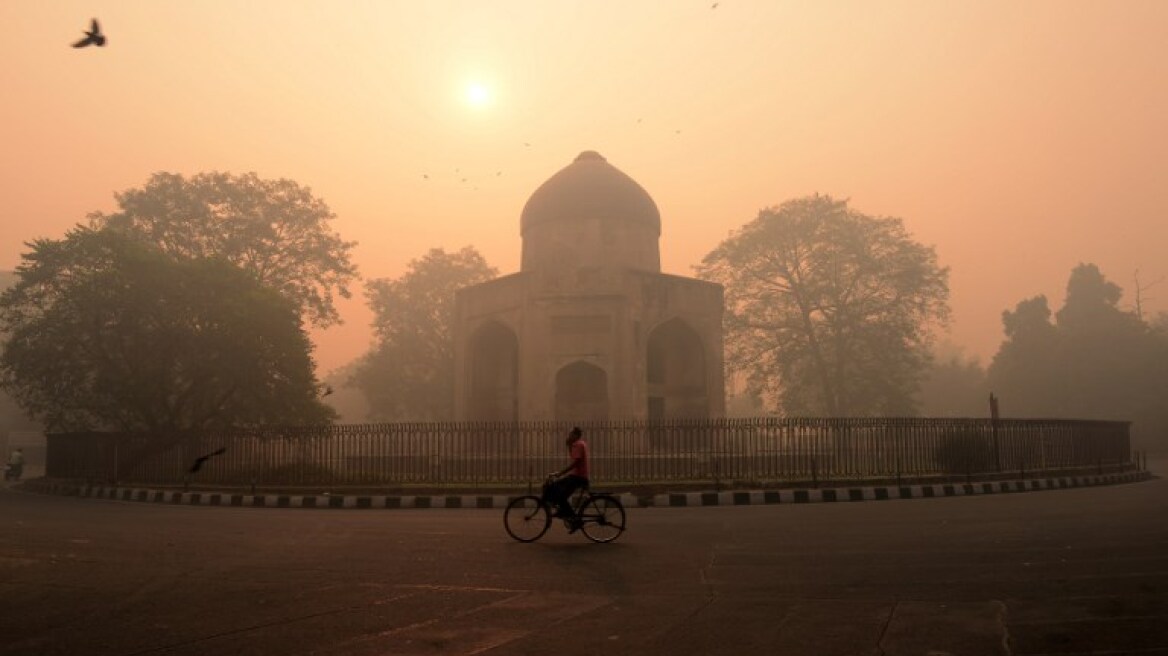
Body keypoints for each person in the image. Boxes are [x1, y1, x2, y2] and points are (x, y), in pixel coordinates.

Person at [545, 427, 590, 529]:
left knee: (560, 496)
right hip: (576, 476)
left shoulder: (578, 444)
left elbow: (575, 462)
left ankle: (572, 518)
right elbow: (574, 457)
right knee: (559, 490)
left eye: (571, 434)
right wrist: (569, 446)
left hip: (578, 477)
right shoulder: (578, 444)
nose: (569, 436)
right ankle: (565, 513)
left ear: (575, 435)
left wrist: (560, 473)